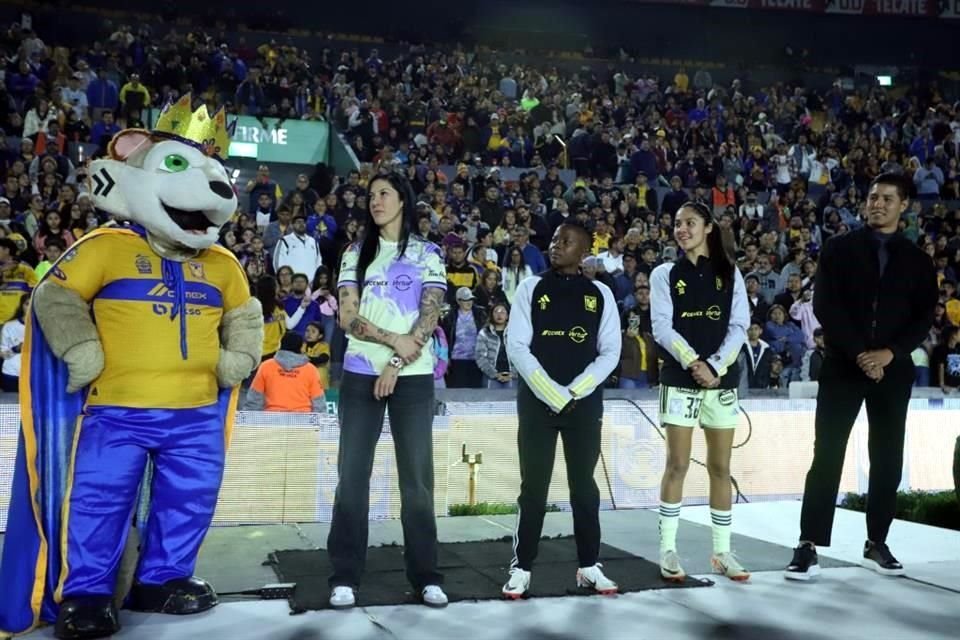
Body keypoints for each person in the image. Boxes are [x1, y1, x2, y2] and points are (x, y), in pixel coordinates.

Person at [785, 173, 938, 581]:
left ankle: (877, 542)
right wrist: (859, 353)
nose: (878, 204)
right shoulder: (839, 249)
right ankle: (808, 544)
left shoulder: (919, 260)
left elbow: (924, 316)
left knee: (887, 458)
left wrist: (888, 354)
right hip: (842, 365)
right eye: (872, 197)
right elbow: (826, 305)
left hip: (893, 369)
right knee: (827, 454)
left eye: (888, 198)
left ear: (903, 205)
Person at [327, 172, 449, 609]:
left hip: (413, 379)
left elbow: (429, 317)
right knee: (352, 479)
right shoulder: (355, 253)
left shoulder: (428, 254)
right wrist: (390, 341)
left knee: (417, 482)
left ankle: (426, 576)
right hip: (360, 374)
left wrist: (397, 361)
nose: (376, 201)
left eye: (385, 194)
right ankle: (344, 575)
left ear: (403, 200)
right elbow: (347, 317)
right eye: (371, 195)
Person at [501, 223, 622, 599]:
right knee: (533, 489)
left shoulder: (600, 294)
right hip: (538, 404)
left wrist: (575, 391)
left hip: (583, 406)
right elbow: (517, 346)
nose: (556, 245)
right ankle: (521, 567)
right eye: (553, 239)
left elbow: (610, 352)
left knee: (584, 488)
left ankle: (588, 565)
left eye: (565, 241)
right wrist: (552, 393)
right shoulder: (530, 288)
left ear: (584, 250)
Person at [650, 201, 750, 583]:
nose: (682, 229)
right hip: (680, 379)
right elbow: (661, 327)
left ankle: (721, 552)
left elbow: (739, 326)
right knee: (676, 464)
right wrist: (696, 363)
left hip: (721, 382)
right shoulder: (664, 274)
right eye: (677, 223)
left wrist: (717, 366)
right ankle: (668, 550)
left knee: (721, 467)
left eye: (690, 222)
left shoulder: (730, 273)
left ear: (708, 227)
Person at [245, 332, 325, 413]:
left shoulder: (266, 366)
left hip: (272, 420)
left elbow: (254, 399)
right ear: (301, 348)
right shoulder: (311, 369)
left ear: (280, 345)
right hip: (303, 421)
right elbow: (319, 403)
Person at [474, 302, 516, 389]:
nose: (499, 314)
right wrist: (494, 374)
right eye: (496, 311)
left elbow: (521, 354)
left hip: (513, 377)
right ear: (492, 315)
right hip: (491, 377)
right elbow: (480, 357)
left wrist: (514, 373)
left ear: (508, 315)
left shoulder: (515, 332)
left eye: (502, 312)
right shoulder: (484, 333)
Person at [0, 294, 28, 392]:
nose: (30, 307)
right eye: (27, 304)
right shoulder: (9, 326)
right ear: (22, 306)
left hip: (36, 376)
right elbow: (3, 355)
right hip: (12, 374)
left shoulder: (45, 327)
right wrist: (16, 349)